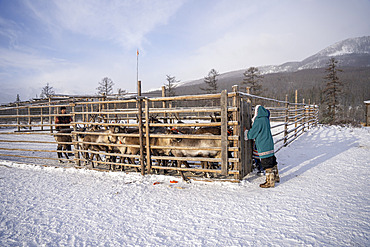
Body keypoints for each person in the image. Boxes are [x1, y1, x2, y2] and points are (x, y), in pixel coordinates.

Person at [245, 105, 280, 188]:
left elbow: (252, 134)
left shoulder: (258, 121)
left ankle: (270, 182)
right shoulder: (266, 119)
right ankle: (276, 177)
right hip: (269, 143)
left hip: (263, 144)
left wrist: (246, 132)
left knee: (266, 163)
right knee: (272, 161)